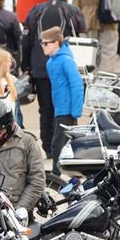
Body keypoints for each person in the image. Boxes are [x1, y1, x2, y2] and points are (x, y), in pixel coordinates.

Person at [22, 0, 87, 157]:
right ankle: (61, 147)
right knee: (61, 107)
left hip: (39, 67)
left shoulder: (36, 10)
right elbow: (82, 39)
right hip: (64, 64)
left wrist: (26, 65)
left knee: (45, 108)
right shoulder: (72, 11)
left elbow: (25, 40)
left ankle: (48, 146)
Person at [42, 27, 85, 175]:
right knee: (67, 142)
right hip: (59, 108)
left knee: (58, 144)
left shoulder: (66, 60)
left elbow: (77, 83)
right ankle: (73, 172)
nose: (43, 46)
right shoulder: (51, 62)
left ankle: (56, 173)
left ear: (56, 43)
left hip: (67, 109)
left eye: (46, 43)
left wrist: (76, 110)